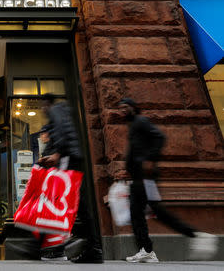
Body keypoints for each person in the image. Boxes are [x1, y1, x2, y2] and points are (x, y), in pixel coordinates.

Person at [118, 98, 218, 263]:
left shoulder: (141, 121)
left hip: (146, 177)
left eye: (125, 107)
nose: (122, 111)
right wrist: (127, 171)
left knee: (154, 213)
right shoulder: (133, 126)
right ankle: (147, 250)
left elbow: (160, 137)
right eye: (120, 108)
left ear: (133, 108)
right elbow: (136, 152)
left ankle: (196, 235)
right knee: (141, 213)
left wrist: (150, 160)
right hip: (138, 178)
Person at [38, 93, 103, 263]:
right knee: (73, 203)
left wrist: (57, 154)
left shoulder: (56, 110)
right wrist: (47, 156)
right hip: (69, 157)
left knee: (65, 202)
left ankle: (75, 247)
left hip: (67, 157)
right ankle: (91, 248)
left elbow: (61, 132)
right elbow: (58, 135)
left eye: (42, 105)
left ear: (47, 103)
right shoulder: (59, 113)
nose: (41, 109)